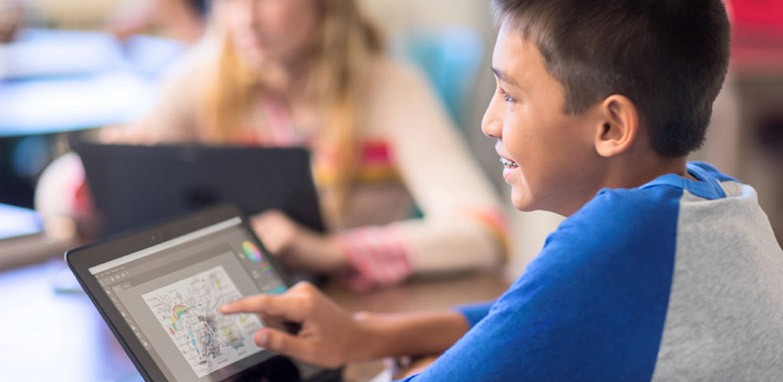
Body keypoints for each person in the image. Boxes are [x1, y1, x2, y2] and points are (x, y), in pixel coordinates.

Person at [220, 0, 783, 382]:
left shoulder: (615, 247)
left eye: (510, 94)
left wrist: (432, 375)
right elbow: (534, 318)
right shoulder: (712, 193)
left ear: (610, 127)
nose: (488, 122)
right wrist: (373, 333)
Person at [35, 0, 507, 291]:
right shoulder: (201, 78)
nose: (246, 19)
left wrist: (326, 251)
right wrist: (104, 170)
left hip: (353, 322)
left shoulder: (388, 87)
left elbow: (484, 234)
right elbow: (57, 193)